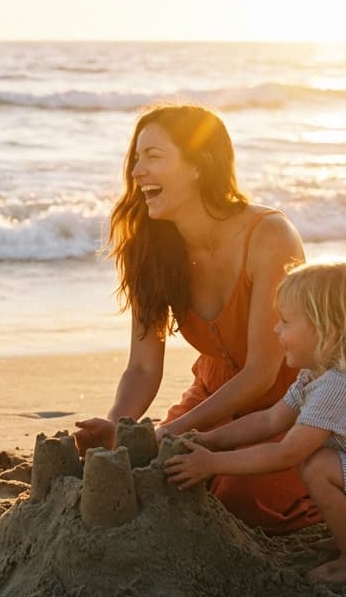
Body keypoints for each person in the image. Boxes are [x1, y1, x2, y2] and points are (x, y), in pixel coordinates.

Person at [74, 103, 322, 534]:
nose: (136, 172)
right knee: (162, 481)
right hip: (214, 393)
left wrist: (171, 430)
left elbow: (264, 372)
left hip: (289, 401)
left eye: (153, 157)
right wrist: (118, 428)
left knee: (238, 503)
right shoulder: (148, 248)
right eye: (135, 158)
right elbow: (143, 366)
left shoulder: (269, 237)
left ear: (198, 165)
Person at [165, 262, 346, 584]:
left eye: (286, 322)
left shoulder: (341, 387)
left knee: (317, 465)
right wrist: (210, 440)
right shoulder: (314, 378)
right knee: (318, 462)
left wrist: (212, 464)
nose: (276, 330)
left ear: (326, 331)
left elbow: (286, 453)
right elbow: (271, 420)